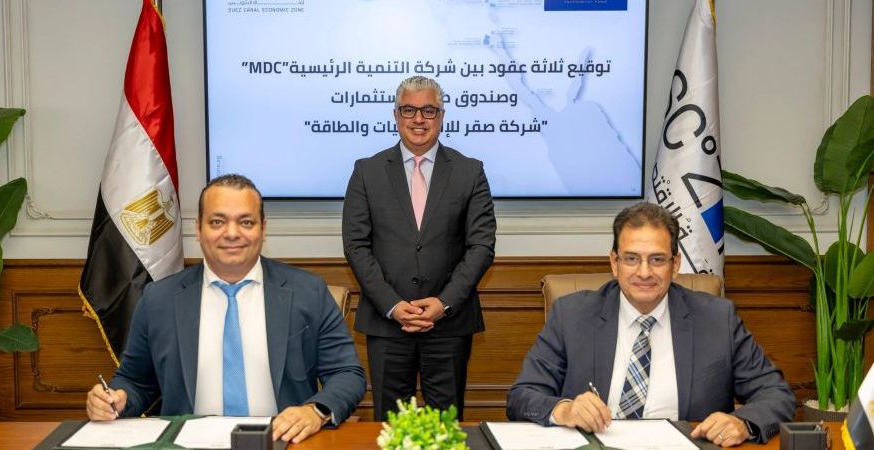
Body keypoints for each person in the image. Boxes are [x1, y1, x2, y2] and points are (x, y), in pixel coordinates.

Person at [86, 174, 366, 444]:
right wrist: (116, 399)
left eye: (246, 222)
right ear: (198, 229)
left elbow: (347, 373)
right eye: (217, 222)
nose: (232, 233)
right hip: (189, 444)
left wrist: (315, 411)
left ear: (263, 229)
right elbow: (136, 381)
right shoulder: (158, 299)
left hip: (282, 441)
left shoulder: (308, 291)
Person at [506, 203, 795, 447]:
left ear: (675, 264)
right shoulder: (572, 315)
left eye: (657, 259)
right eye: (632, 259)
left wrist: (742, 423)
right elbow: (522, 396)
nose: (644, 272)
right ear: (614, 262)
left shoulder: (717, 319)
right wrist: (564, 410)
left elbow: (776, 394)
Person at [342, 75, 497, 420]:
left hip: (449, 326)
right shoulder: (366, 171)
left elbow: (482, 245)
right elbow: (355, 245)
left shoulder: (470, 172)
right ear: (395, 115)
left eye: (428, 110)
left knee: (446, 428)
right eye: (409, 110)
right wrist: (392, 305)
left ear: (442, 116)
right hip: (387, 324)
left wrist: (444, 303)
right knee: (389, 427)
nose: (418, 119)